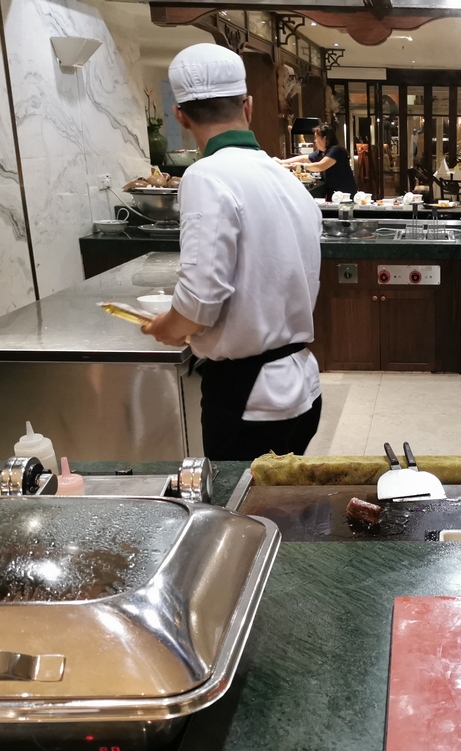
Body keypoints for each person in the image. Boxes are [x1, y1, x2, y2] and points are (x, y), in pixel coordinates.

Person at [142, 44, 324, 460]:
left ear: (180, 115)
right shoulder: (286, 178)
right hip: (300, 385)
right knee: (282, 496)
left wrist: (169, 327)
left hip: (249, 398)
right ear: (249, 106)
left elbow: (199, 300)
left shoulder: (205, 176)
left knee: (242, 502)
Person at [281, 123, 358, 198]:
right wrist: (282, 162)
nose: (315, 141)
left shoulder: (336, 150)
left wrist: (301, 166)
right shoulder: (321, 153)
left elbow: (320, 166)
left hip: (346, 196)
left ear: (325, 138)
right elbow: (305, 158)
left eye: (316, 137)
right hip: (334, 195)